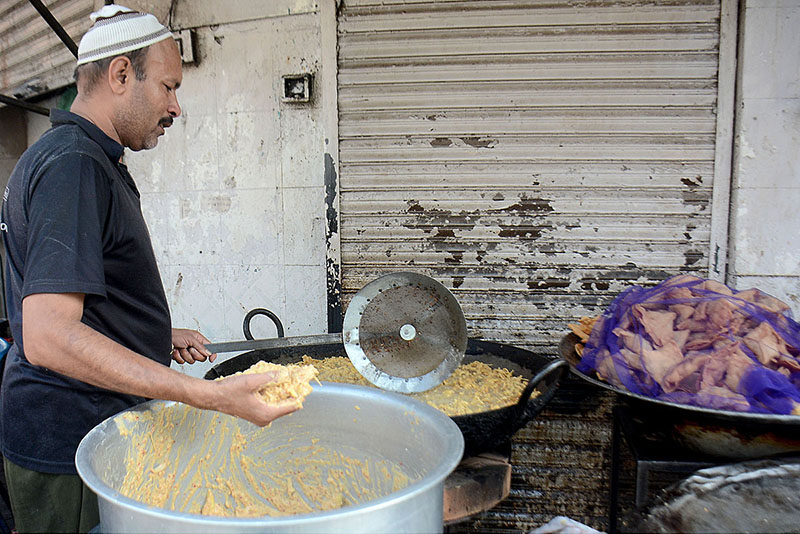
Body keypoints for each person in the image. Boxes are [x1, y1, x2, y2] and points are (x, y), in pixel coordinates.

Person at [0, 6, 297, 532]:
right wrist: (207, 395)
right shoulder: (73, 166)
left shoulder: (82, 157)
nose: (175, 108)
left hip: (90, 429)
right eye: (168, 86)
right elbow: (49, 335)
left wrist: (153, 334)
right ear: (120, 75)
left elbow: (84, 303)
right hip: (68, 444)